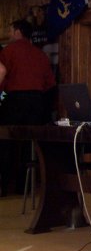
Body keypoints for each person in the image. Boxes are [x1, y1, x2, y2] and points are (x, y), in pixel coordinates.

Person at [0, 19, 56, 195]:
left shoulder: (8, 51)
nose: (9, 34)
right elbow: (50, 84)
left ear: (17, 32)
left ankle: (4, 186)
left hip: (14, 100)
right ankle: (24, 186)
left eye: (10, 31)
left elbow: (2, 77)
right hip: (37, 102)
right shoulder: (41, 55)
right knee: (30, 145)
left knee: (6, 141)